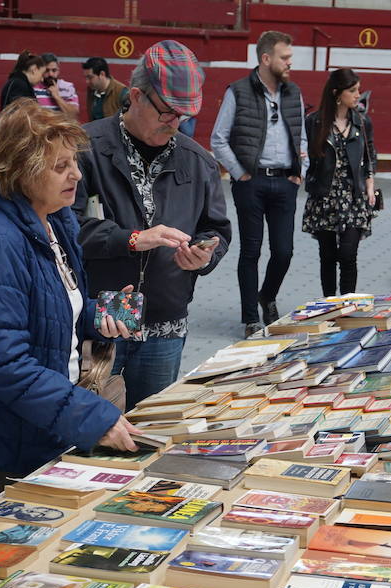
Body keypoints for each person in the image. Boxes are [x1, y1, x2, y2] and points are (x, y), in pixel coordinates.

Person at [0, 99, 140, 513]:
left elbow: (49, 307)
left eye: (74, 162)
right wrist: (90, 417)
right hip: (0, 433)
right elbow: (4, 364)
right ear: (21, 169)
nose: (76, 175)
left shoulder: (51, 217)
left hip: (38, 416)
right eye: (60, 166)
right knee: (2, 539)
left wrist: (100, 314)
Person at [73, 40, 231, 411]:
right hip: (105, 314)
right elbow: (65, 228)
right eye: (167, 112)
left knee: (150, 429)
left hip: (166, 320)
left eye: (183, 115)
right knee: (92, 428)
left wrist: (204, 255)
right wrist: (130, 239)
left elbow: (217, 229)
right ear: (136, 96)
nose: (175, 123)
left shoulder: (198, 161)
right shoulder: (85, 148)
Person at [211, 30, 308, 338]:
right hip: (251, 183)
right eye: (285, 57)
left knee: (284, 252)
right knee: (251, 251)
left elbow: (302, 138)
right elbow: (218, 138)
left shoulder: (293, 93)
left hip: (285, 182)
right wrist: (240, 172)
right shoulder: (238, 91)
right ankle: (251, 318)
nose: (290, 62)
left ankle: (267, 295)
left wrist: (300, 173)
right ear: (266, 59)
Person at [302, 68, 376, 297]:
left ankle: (347, 306)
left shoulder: (362, 122)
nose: (358, 95)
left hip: (353, 197)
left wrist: (370, 183)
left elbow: (370, 154)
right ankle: (329, 305)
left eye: (358, 90)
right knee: (327, 256)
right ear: (336, 93)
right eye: (352, 90)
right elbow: (305, 155)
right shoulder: (314, 122)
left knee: (348, 254)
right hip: (324, 197)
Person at [34, 53, 80, 120]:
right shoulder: (33, 88)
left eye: (54, 70)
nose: (50, 74)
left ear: (58, 70)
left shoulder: (67, 87)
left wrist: (57, 96)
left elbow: (74, 116)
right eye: (46, 70)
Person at [82, 57, 129, 121]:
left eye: (90, 77)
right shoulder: (91, 90)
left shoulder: (122, 92)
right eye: (86, 78)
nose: (87, 81)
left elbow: (130, 120)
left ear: (102, 74)